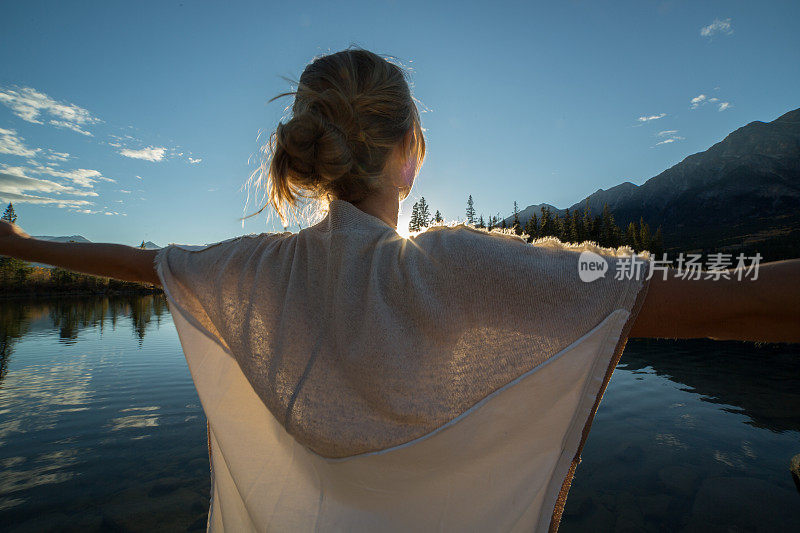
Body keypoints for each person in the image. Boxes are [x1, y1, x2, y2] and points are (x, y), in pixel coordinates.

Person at [0, 47, 798, 532]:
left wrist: (25, 245)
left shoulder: (256, 270)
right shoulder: (455, 267)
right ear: (410, 156)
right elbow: (723, 292)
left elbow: (149, 262)